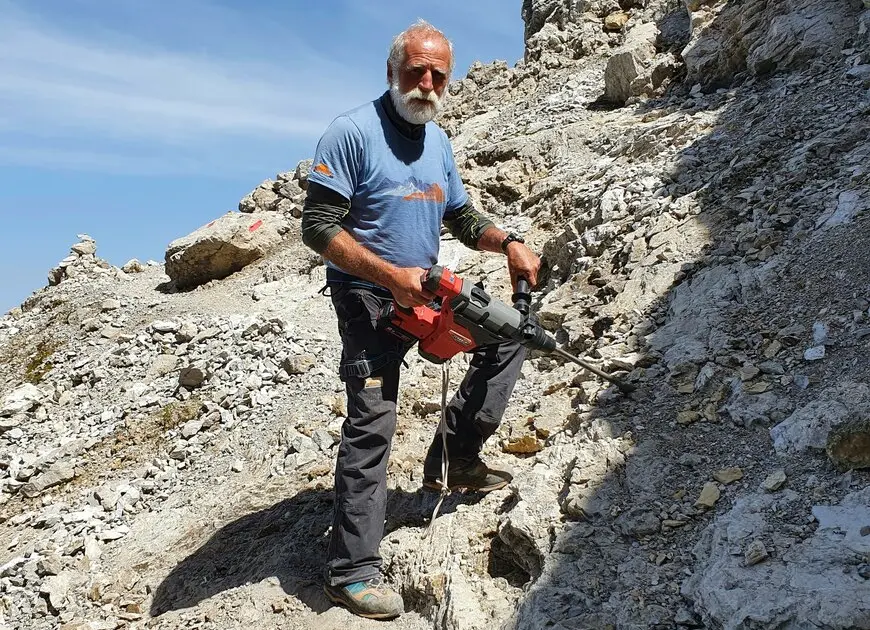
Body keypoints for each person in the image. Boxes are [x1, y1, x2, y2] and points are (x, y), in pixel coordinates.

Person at [301, 19, 541, 620]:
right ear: (392, 71)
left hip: (427, 292)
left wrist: (508, 241)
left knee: (506, 336)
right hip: (368, 299)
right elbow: (318, 227)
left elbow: (460, 216)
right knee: (373, 421)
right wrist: (389, 277)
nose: (427, 84)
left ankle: (456, 460)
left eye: (438, 74)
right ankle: (350, 572)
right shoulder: (352, 133)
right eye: (416, 72)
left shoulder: (438, 141)